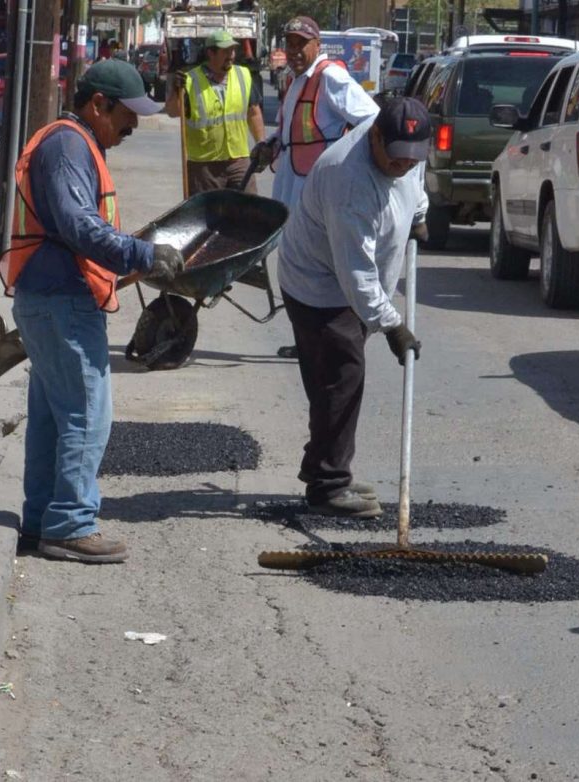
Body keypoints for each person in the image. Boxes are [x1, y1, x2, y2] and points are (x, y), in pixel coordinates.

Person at [0, 59, 185, 563]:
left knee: (52, 418)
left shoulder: (74, 142)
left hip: (50, 297)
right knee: (86, 415)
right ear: (99, 104)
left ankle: (43, 519)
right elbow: (78, 223)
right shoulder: (67, 146)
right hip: (61, 300)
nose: (134, 124)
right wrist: (141, 254)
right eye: (128, 113)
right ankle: (70, 524)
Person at [278, 97, 430, 518]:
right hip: (320, 285)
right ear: (375, 137)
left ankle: (326, 466)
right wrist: (393, 326)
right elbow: (357, 275)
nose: (404, 165)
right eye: (396, 158)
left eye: (412, 158)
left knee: (337, 378)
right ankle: (327, 485)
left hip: (350, 281)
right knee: (340, 377)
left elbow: (414, 181)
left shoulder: (407, 152)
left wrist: (418, 213)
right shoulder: (348, 180)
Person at [252, 16, 379, 213]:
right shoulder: (295, 79)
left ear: (317, 45)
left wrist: (350, 160)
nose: (294, 51)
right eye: (290, 44)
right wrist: (270, 144)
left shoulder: (329, 76)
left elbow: (372, 119)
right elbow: (287, 131)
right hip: (290, 184)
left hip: (318, 189)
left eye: (301, 44)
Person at [165, 30, 265, 195]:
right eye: (225, 51)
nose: (231, 55)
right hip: (204, 166)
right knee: (209, 211)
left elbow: (253, 112)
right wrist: (176, 91)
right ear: (210, 53)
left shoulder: (243, 75)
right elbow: (173, 111)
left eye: (232, 50)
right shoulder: (190, 80)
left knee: (247, 208)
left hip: (239, 160)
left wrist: (260, 142)